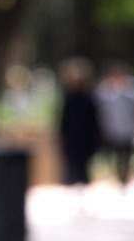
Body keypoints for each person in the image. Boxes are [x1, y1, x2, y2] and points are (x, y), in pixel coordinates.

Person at [95, 62, 134, 189]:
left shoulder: (133, 90)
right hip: (112, 130)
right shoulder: (104, 91)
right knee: (115, 156)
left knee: (127, 155)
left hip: (129, 130)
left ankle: (125, 177)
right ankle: (119, 176)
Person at [57, 58, 101, 193]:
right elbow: (63, 121)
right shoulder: (68, 98)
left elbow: (94, 120)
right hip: (71, 138)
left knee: (83, 168)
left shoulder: (89, 98)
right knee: (71, 167)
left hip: (86, 138)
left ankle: (82, 191)